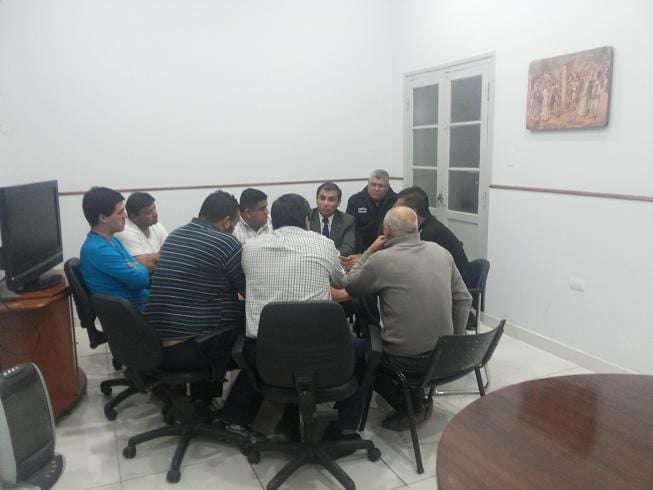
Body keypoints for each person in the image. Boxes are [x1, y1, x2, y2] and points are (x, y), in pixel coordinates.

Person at [220, 194, 362, 440]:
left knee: (254, 344)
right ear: (307, 220)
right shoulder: (324, 244)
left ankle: (241, 418)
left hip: (267, 355)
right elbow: (342, 283)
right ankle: (343, 428)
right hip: (324, 353)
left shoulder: (250, 248)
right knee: (363, 351)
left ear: (273, 220)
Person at [346, 206, 472, 431]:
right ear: (417, 226)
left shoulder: (381, 260)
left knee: (361, 354)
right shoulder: (441, 252)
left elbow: (351, 285)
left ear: (386, 230)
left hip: (404, 360)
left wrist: (370, 251)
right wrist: (456, 341)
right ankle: (416, 399)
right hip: (443, 355)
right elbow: (464, 299)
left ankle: (410, 406)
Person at [144, 190, 245, 373]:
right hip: (193, 347)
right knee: (258, 335)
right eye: (235, 223)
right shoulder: (226, 243)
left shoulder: (175, 236)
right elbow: (248, 292)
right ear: (226, 221)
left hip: (153, 346)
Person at [80, 187, 150, 311]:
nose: (125, 216)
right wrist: (136, 266)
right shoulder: (98, 250)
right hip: (136, 313)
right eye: (120, 212)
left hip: (143, 303)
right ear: (103, 218)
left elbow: (137, 269)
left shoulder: (112, 240)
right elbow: (141, 280)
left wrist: (135, 266)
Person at [396, 186, 472, 286]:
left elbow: (416, 270)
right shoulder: (429, 225)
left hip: (456, 289)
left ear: (413, 212)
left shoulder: (429, 235)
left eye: (398, 211)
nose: (396, 215)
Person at [345, 169, 397, 254]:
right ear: (368, 183)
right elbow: (352, 230)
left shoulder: (397, 201)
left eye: (381, 186)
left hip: (389, 250)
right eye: (373, 185)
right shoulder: (355, 201)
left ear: (388, 186)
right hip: (361, 250)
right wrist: (363, 253)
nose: (376, 189)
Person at [114, 192, 168, 273]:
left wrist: (151, 258)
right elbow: (144, 265)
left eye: (154, 208)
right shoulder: (124, 231)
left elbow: (172, 252)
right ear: (134, 216)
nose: (155, 214)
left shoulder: (157, 225)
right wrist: (164, 258)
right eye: (148, 212)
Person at [309, 182, 356, 256]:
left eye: (331, 200)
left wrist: (326, 255)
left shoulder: (347, 220)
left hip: (336, 261)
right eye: (322, 198)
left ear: (338, 203)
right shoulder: (308, 217)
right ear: (316, 200)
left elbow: (348, 248)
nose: (326, 203)